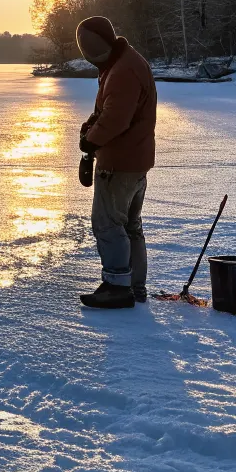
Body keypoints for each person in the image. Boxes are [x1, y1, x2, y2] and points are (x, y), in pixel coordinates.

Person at [76, 17, 157, 309]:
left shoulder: (123, 70)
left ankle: (117, 286)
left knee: (109, 225)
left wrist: (91, 142)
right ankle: (134, 287)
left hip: (120, 164)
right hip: (134, 161)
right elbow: (105, 111)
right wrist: (89, 136)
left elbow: (115, 119)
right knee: (130, 226)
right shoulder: (120, 64)